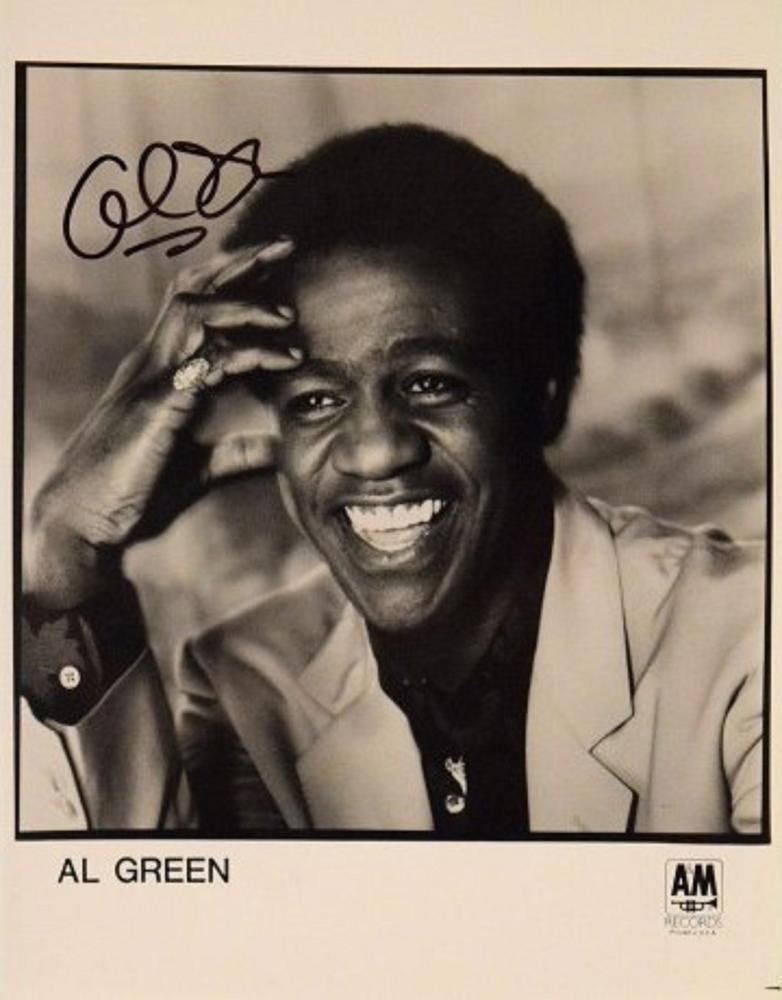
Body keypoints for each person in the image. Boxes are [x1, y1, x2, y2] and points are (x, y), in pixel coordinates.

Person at [20, 124, 764, 835]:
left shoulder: (749, 634)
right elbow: (165, 916)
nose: (374, 453)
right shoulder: (251, 681)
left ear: (540, 398)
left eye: (430, 383)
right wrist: (67, 549)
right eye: (315, 400)